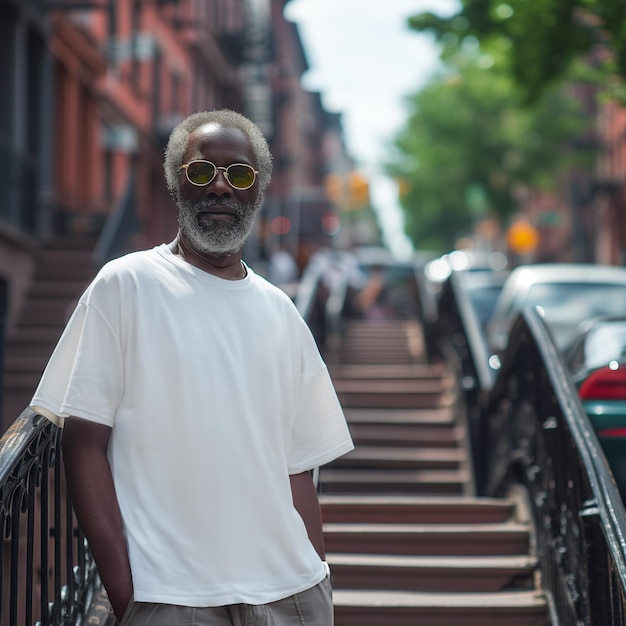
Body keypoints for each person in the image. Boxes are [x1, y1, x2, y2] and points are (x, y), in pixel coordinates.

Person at [30, 109, 354, 626]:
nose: (222, 187)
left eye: (240, 174)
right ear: (176, 183)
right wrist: (128, 594)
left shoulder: (282, 312)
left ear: (258, 189)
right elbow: (83, 442)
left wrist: (317, 573)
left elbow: (297, 470)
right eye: (203, 171)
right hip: (170, 597)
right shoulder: (126, 284)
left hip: (291, 594)